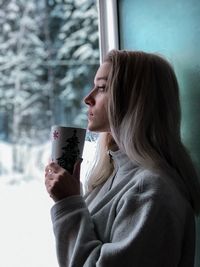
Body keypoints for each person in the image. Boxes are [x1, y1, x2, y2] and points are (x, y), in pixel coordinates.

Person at [45, 49, 200, 267]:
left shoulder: (151, 191)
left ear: (134, 99)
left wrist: (68, 204)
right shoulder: (115, 173)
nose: (87, 99)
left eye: (101, 88)